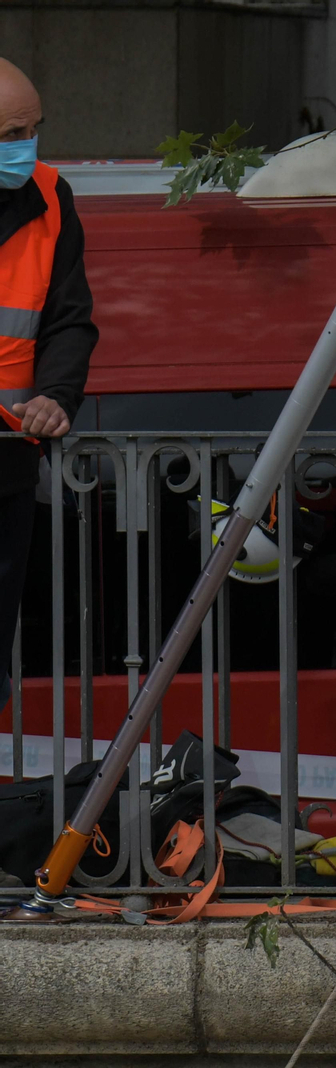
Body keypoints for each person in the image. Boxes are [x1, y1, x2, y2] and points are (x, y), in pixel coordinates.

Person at [0, 58, 96, 713]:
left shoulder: (49, 195)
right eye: (10, 133)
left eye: (34, 129)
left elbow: (69, 320)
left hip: (6, 459)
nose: (27, 147)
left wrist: (56, 397)